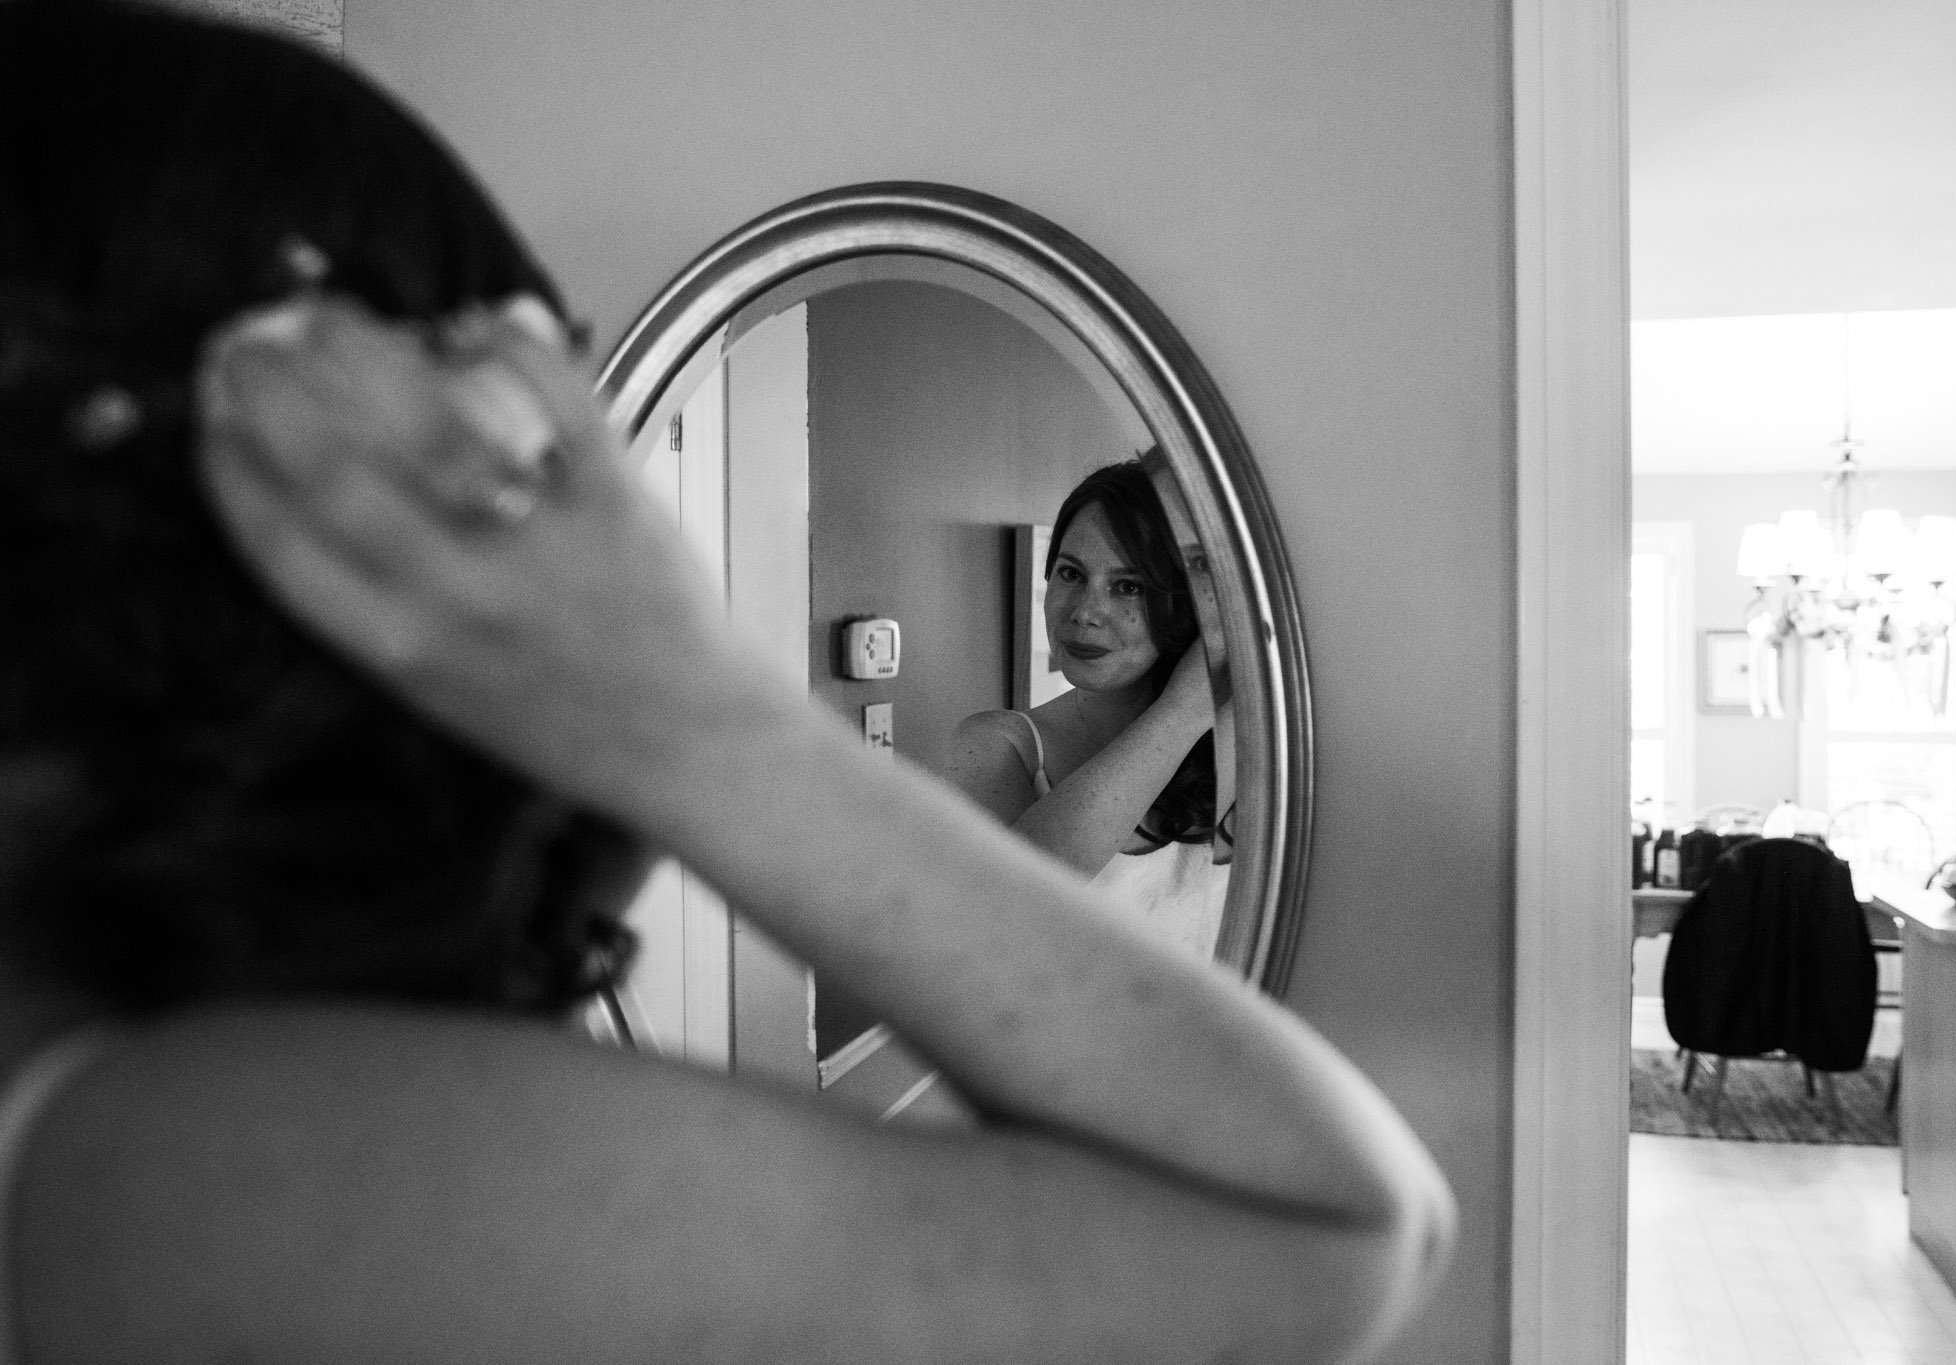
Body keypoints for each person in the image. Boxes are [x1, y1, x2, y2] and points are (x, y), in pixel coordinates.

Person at [0, 4, 1453, 1362]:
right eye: (521, 481)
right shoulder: (146, 1158)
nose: (1084, 607)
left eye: (1129, 583)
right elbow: (1328, 1227)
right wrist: (671, 691)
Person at [945, 463, 1227, 958]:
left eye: (1128, 586)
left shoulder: (1246, 749)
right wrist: (1185, 710)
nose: (1083, 611)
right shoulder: (998, 745)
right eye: (1071, 574)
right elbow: (1016, 914)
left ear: (1188, 604)